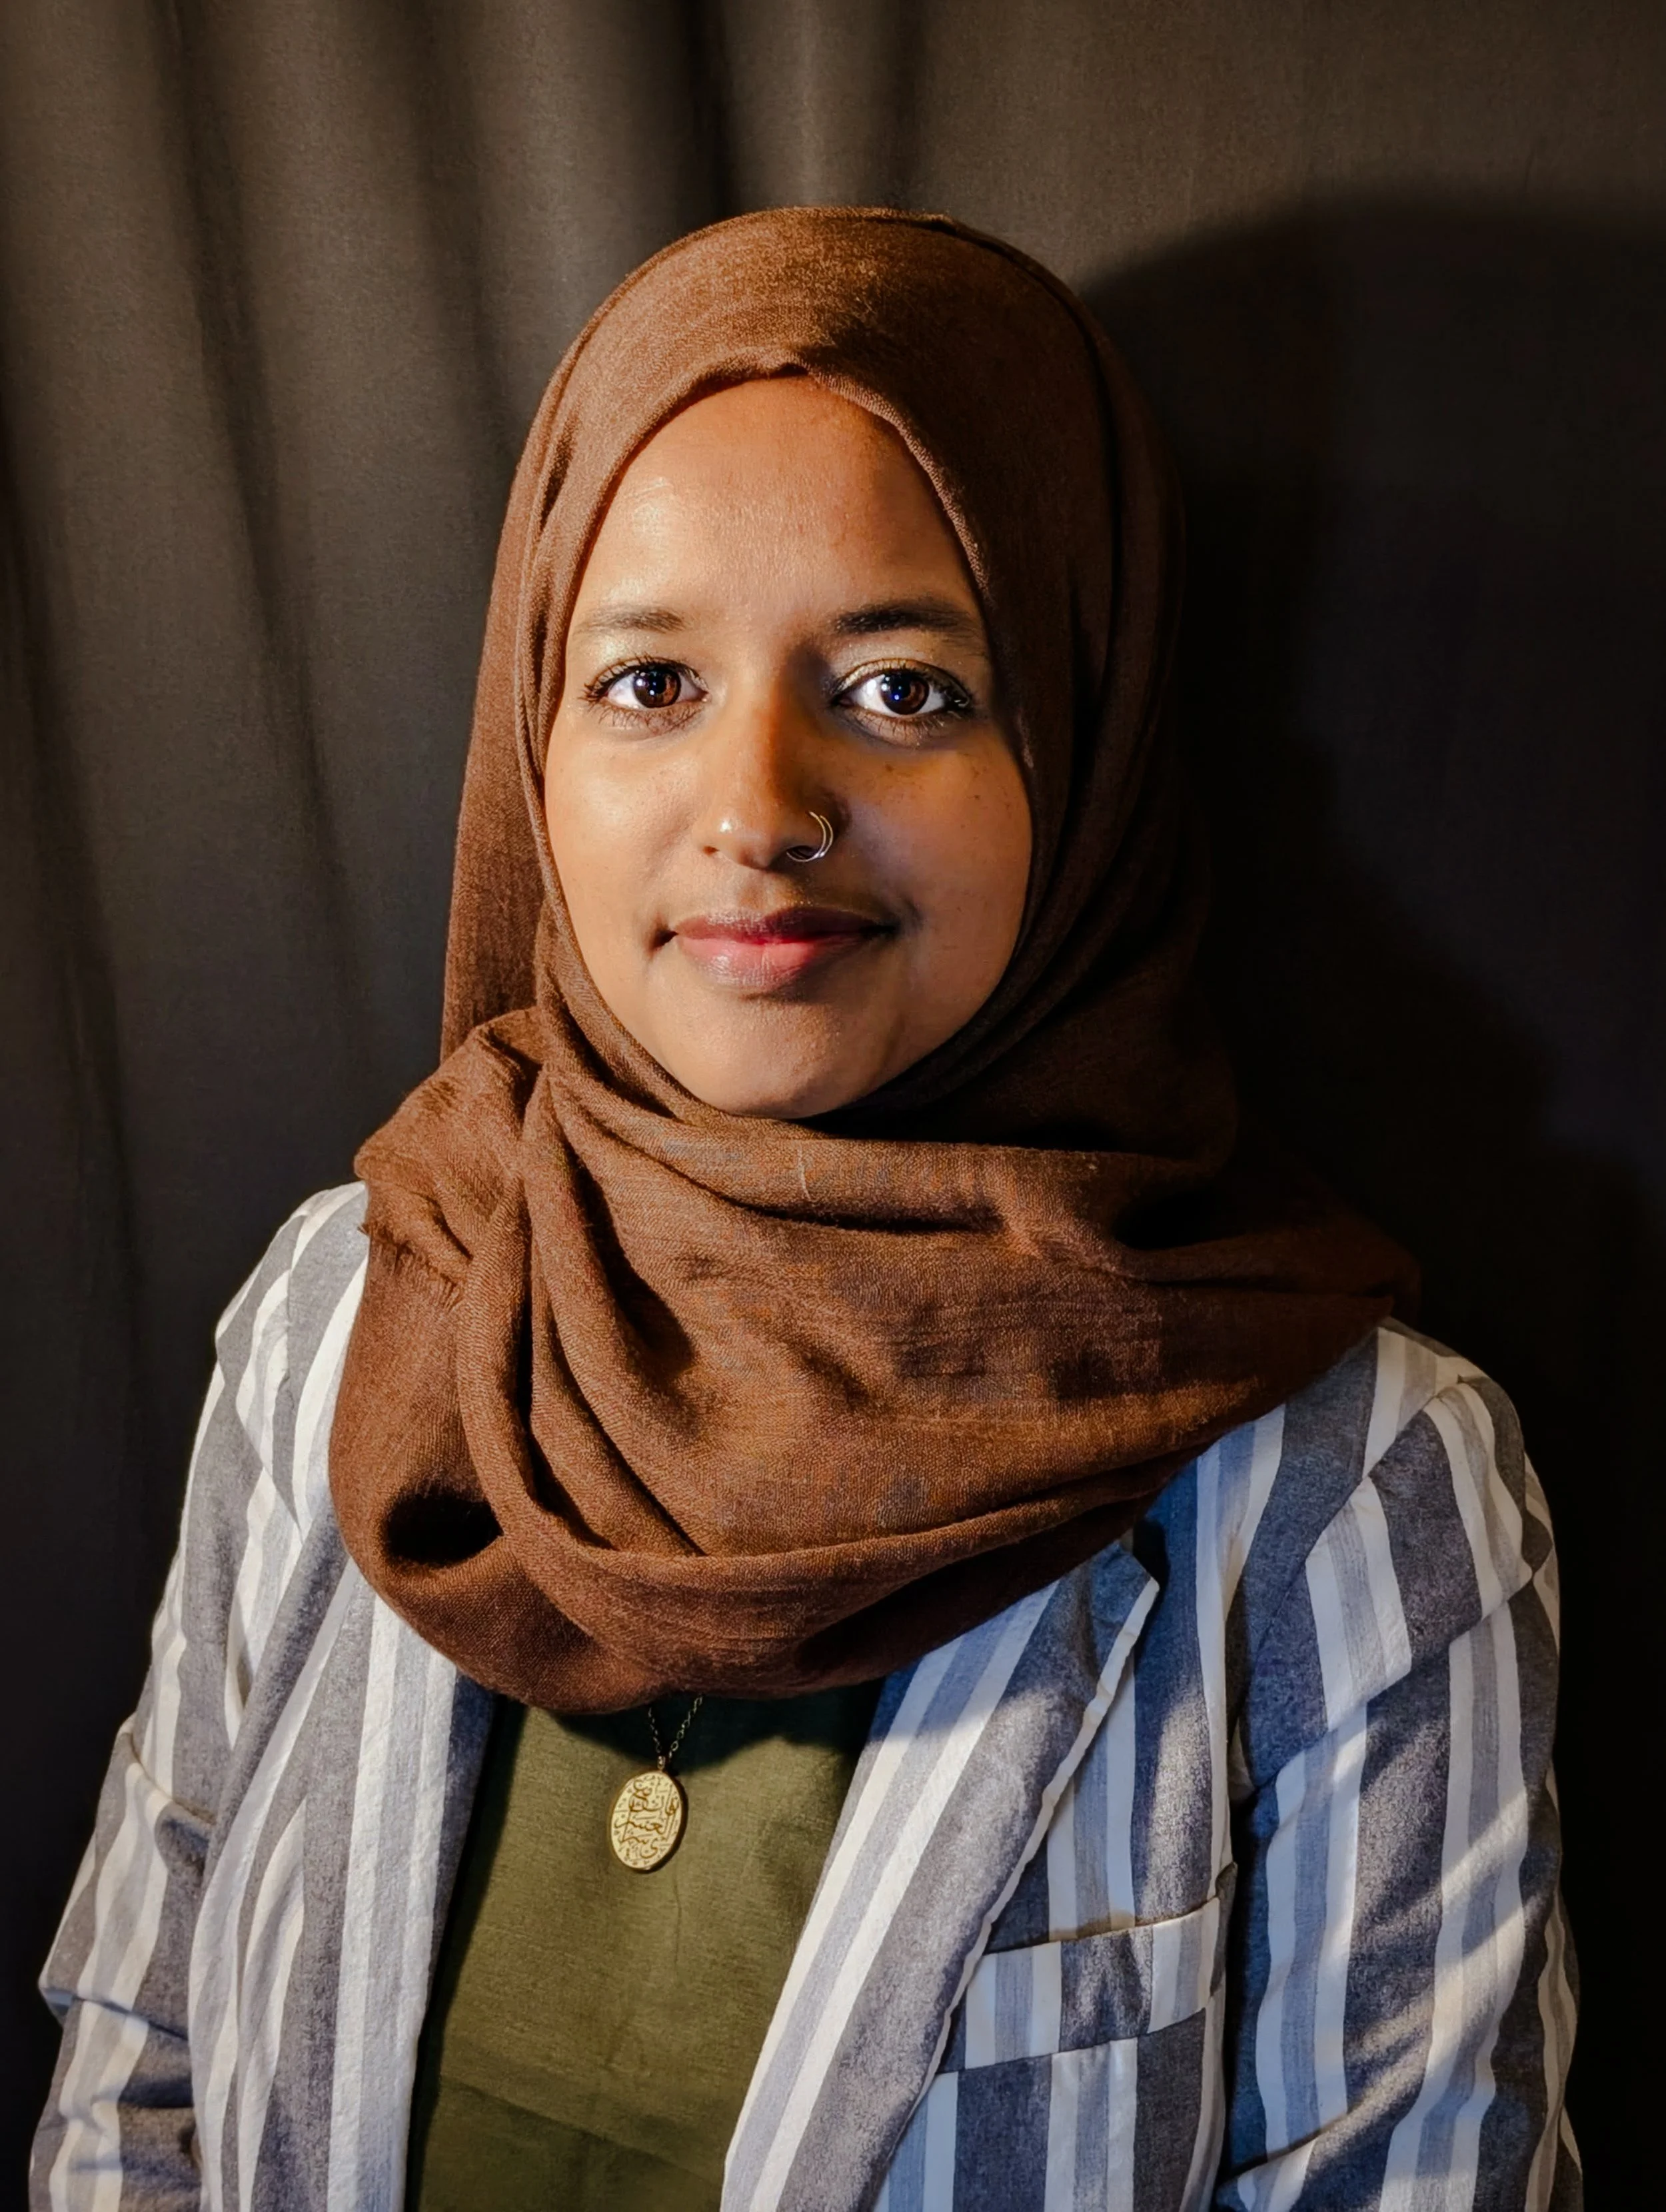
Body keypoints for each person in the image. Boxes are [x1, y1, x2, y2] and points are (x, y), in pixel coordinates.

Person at [31, 208, 1578, 2212]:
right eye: (647, 679)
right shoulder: (343, 1317)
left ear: (1085, 745)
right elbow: (137, 2069)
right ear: (529, 743)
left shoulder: (1343, 1492)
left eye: (903, 689)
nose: (758, 806)